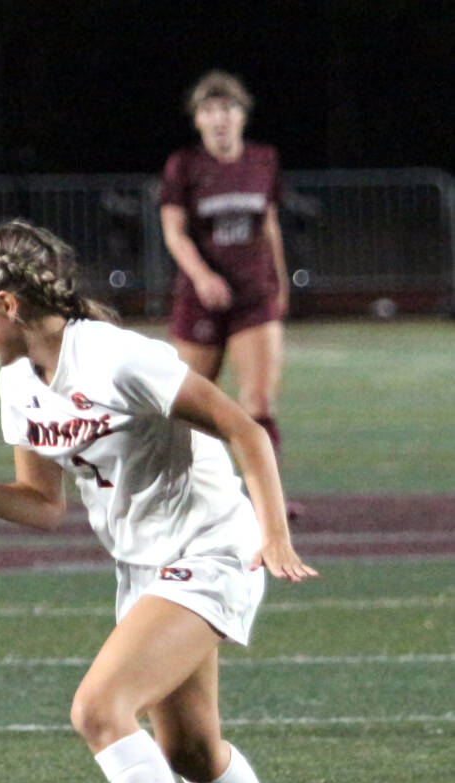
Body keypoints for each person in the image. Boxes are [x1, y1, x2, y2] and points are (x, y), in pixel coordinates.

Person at [0, 219, 324, 783]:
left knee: (99, 708)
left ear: (6, 304)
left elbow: (246, 430)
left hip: (211, 548)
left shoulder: (117, 358)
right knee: (192, 751)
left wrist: (274, 533)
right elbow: (43, 506)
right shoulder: (17, 383)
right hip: (142, 567)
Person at [159, 70, 293, 510]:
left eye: (228, 109)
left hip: (253, 297)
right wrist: (201, 276)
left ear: (242, 115)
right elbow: (174, 231)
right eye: (210, 110)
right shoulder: (185, 166)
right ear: (197, 119)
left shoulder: (263, 160)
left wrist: (280, 277)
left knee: (257, 402)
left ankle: (266, 502)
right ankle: (183, 496)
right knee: (188, 407)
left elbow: (269, 223)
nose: (220, 118)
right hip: (201, 301)